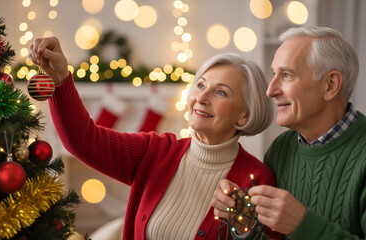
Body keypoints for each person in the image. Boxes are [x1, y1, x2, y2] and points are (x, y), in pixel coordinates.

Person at [29, 37, 282, 239]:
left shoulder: (257, 178)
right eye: (201, 85)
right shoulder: (157, 151)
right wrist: (60, 78)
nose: (202, 98)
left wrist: (243, 227)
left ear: (243, 116)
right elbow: (84, 140)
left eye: (221, 92)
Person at [212, 26, 366, 239]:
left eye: (286, 75)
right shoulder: (280, 149)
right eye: (274, 74)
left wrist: (302, 225)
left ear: (330, 85)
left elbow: (300, 226)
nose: (270, 90)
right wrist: (245, 221)